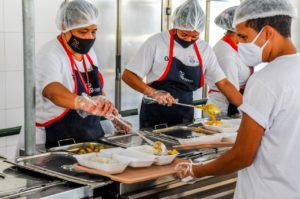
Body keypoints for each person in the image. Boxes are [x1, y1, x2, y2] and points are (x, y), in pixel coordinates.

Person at [175, 0, 300, 198]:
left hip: (265, 191)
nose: (239, 43)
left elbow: (242, 156)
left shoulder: (265, 81)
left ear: (267, 33)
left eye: (243, 36)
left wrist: (195, 170)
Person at [122, 0, 242, 128]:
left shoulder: (204, 49)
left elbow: (223, 83)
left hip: (185, 114)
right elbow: (128, 75)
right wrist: (153, 92)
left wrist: (245, 110)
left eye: (194, 36)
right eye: (184, 34)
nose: (189, 39)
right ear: (176, 25)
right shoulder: (156, 43)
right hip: (155, 113)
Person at [35, 0, 128, 148]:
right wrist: (83, 103)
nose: (89, 37)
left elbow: (95, 89)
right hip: (56, 141)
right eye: (83, 32)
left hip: (90, 138)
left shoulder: (90, 54)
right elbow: (53, 92)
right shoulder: (50, 53)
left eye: (94, 31)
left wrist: (113, 115)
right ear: (65, 27)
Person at [207, 6, 253, 117]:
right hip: (224, 111)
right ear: (238, 27)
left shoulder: (237, 46)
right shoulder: (225, 54)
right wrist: (251, 114)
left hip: (236, 105)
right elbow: (231, 92)